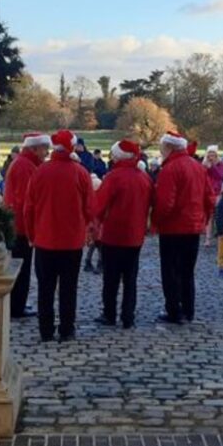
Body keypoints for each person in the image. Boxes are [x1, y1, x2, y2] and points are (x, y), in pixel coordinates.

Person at [25, 129, 94, 343]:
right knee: (68, 288)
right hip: (72, 241)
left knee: (45, 288)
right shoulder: (81, 173)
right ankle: (67, 329)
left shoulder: (40, 172)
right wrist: (87, 229)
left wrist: (31, 235)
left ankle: (46, 330)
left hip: (45, 239)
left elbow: (29, 209)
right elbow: (90, 208)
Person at [152, 131, 214, 324]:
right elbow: (210, 198)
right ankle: (188, 309)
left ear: (169, 147)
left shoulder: (170, 169)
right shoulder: (198, 167)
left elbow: (165, 203)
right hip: (193, 227)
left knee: (170, 271)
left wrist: (156, 221)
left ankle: (174, 310)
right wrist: (202, 219)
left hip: (173, 228)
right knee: (187, 271)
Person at [94, 139, 153, 329]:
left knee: (110, 278)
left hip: (113, 234)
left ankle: (109, 314)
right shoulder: (144, 178)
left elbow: (99, 206)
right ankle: (128, 316)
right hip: (135, 235)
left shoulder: (113, 177)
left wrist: (97, 223)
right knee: (130, 279)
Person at [4, 133, 50, 319]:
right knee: (21, 268)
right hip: (21, 226)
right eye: (44, 148)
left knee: (22, 266)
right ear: (34, 148)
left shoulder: (24, 163)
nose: (46, 152)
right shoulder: (25, 166)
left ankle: (18, 303)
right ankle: (17, 306)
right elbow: (25, 199)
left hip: (19, 224)